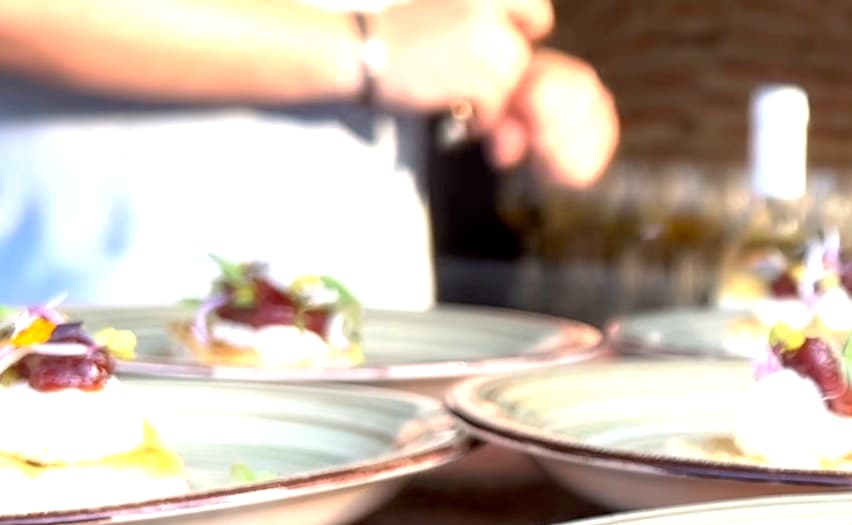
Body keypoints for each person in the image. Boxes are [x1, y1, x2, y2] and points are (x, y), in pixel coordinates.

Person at [0, 0, 618, 307]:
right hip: (76, 341)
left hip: (379, 380)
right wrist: (368, 52)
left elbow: (431, 35)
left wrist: (512, 73)